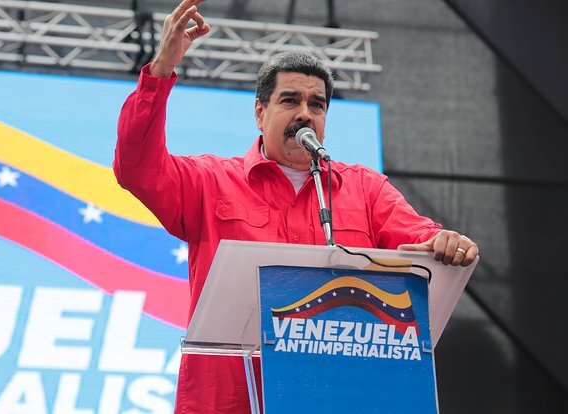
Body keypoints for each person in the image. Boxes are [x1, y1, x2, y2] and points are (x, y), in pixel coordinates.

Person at [113, 0, 479, 412]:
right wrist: (161, 70)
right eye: (290, 101)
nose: (305, 114)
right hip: (231, 400)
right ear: (260, 112)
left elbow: (421, 239)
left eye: (316, 105)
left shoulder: (365, 189)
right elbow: (135, 168)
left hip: (337, 398)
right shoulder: (209, 180)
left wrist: (445, 244)